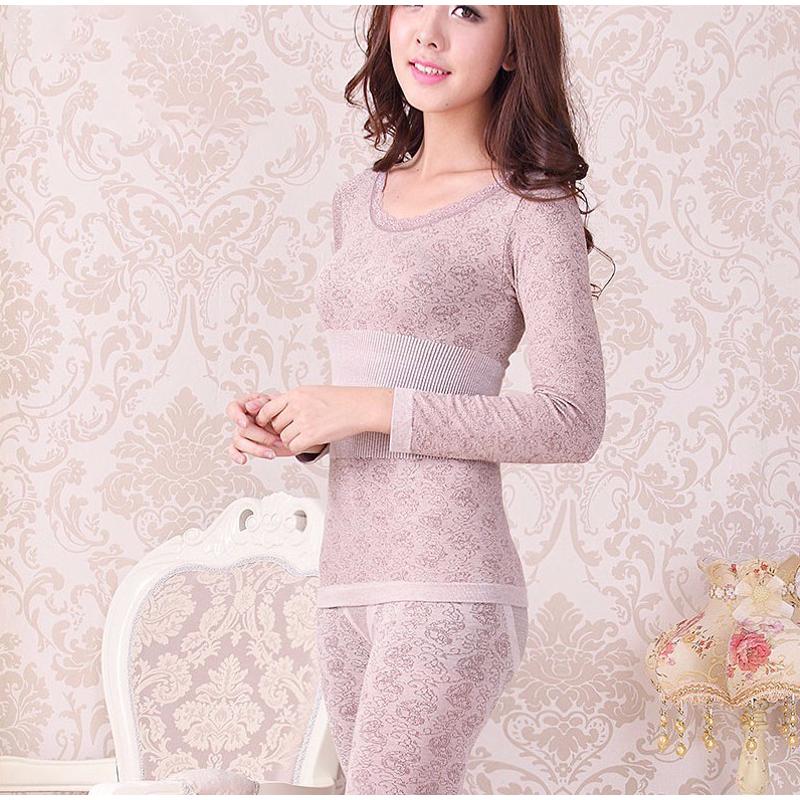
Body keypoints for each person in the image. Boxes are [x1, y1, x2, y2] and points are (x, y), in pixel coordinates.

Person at [225, 5, 614, 794]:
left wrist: (370, 407)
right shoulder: (355, 202)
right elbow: (389, 377)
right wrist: (305, 425)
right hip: (347, 580)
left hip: (449, 581)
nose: (428, 32)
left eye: (467, 10)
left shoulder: (531, 208)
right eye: (413, 3)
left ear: (514, 48)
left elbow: (572, 421)